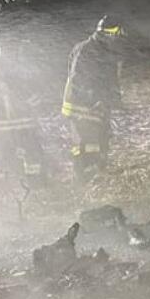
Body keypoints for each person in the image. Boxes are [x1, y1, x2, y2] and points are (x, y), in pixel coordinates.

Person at [0, 32, 45, 185]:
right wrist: (32, 99)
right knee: (27, 150)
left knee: (0, 154)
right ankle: (34, 184)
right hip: (14, 119)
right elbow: (14, 84)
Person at [62, 15, 125, 181]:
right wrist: (93, 98)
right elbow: (78, 79)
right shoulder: (86, 50)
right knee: (86, 144)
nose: (117, 39)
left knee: (101, 138)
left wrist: (113, 100)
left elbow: (109, 79)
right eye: (116, 35)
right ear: (108, 34)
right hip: (81, 106)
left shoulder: (105, 51)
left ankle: (98, 173)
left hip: (98, 105)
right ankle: (84, 180)